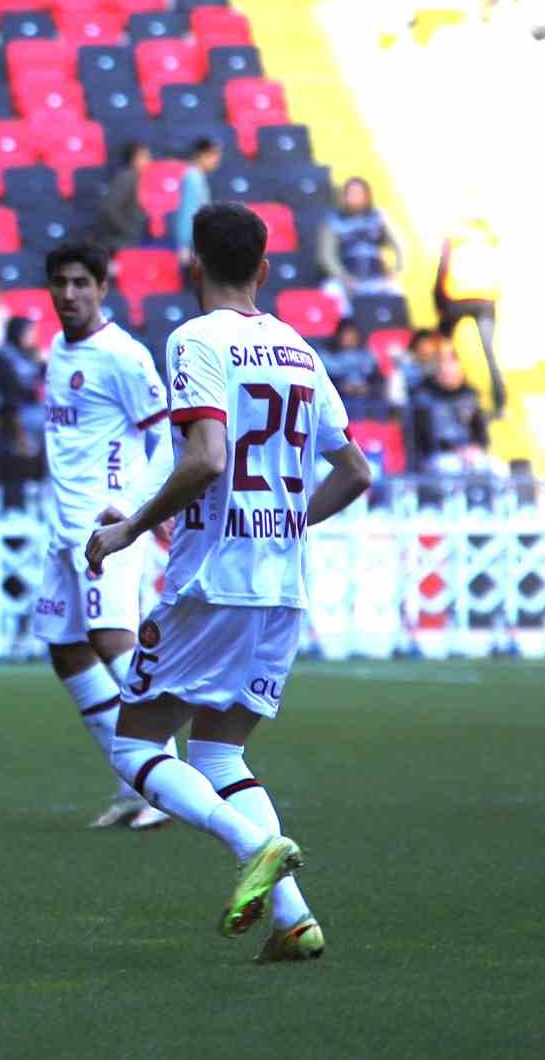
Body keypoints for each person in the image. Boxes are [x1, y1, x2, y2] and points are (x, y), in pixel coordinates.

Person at [86, 202, 372, 962]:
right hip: (282, 587)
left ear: (192, 267)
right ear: (266, 270)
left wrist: (128, 529)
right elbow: (356, 471)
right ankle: (294, 920)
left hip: (210, 580)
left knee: (135, 742)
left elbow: (206, 456)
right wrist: (284, 522)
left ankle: (251, 844)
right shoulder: (300, 352)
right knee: (218, 755)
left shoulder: (194, 340)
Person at [32, 242, 177, 831]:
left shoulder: (123, 356)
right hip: (61, 528)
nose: (69, 294)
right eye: (60, 283)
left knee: (112, 640)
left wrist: (135, 506)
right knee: (66, 650)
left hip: (105, 528)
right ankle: (130, 785)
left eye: (81, 284)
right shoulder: (58, 351)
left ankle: (167, 781)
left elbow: (172, 435)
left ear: (102, 288)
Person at [434, 215, 505, 417]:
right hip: (485, 299)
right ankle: (500, 404)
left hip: (456, 298)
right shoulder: (488, 234)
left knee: (443, 349)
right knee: (489, 353)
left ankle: (441, 392)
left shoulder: (454, 234)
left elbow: (443, 266)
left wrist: (438, 302)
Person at [0, 316, 48, 509]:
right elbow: (9, 392)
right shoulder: (2, 357)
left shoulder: (34, 355)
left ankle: (41, 489)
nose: (33, 336)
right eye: (29, 332)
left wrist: (43, 364)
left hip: (30, 408)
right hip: (5, 411)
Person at [317, 176, 404, 310]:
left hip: (376, 277)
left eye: (358, 193)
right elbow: (326, 256)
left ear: (367, 195)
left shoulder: (378, 217)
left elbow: (398, 245)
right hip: (347, 278)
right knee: (331, 292)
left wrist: (395, 271)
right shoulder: (333, 221)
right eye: (351, 193)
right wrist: (344, 278)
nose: (354, 197)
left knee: (396, 292)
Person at [412, 349, 495, 474]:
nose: (449, 375)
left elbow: (481, 432)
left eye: (452, 371)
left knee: (497, 469)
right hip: (440, 455)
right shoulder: (425, 397)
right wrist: (457, 450)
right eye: (444, 372)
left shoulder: (470, 395)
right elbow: (425, 438)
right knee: (451, 468)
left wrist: (474, 448)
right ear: (438, 373)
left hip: (470, 453)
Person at [174, 137, 222, 264]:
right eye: (213, 156)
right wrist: (184, 245)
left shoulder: (198, 177)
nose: (216, 161)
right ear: (201, 155)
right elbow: (188, 212)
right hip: (192, 245)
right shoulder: (192, 177)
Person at [97, 142, 152, 250]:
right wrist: (128, 230)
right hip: (122, 242)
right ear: (132, 159)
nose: (149, 160)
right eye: (144, 156)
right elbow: (109, 208)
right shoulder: (127, 178)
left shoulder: (140, 178)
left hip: (134, 240)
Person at [322, 318, 384, 406]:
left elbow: (377, 380)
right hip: (339, 401)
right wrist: (341, 387)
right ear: (338, 335)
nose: (351, 337)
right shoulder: (327, 357)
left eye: (353, 333)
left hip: (367, 400)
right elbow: (325, 383)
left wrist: (368, 388)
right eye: (347, 333)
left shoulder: (368, 355)